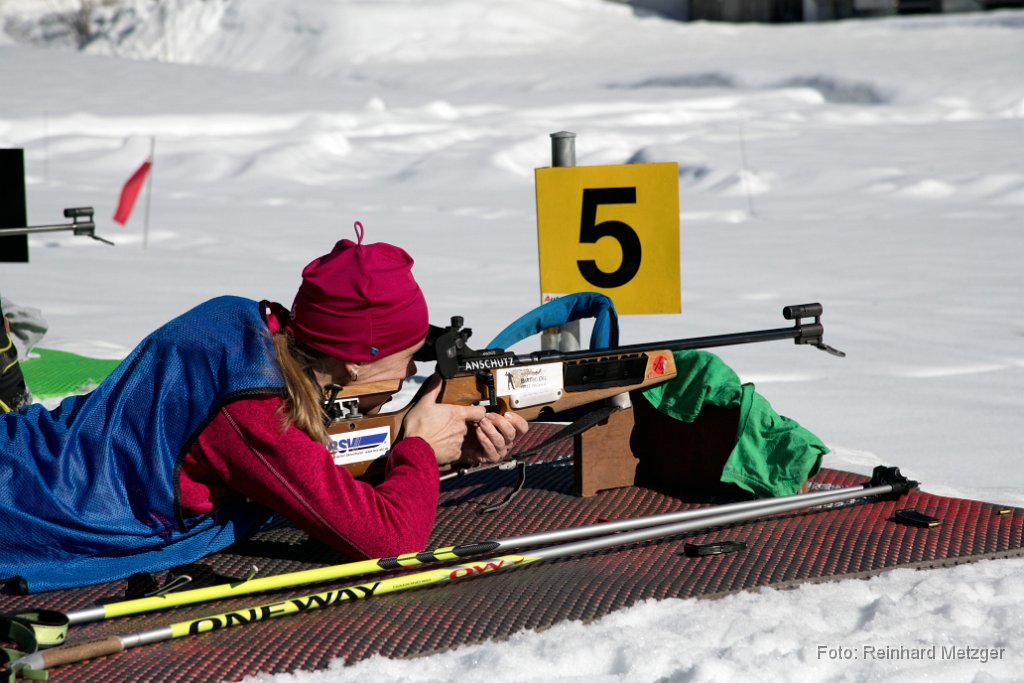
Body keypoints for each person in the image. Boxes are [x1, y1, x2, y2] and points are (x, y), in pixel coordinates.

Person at [0, 226, 527, 594]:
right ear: (353, 363)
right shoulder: (255, 414)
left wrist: (437, 451)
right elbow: (390, 541)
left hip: (31, 452)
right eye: (409, 356)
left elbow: (303, 456)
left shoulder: (235, 319)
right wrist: (417, 447)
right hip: (32, 505)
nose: (413, 369)